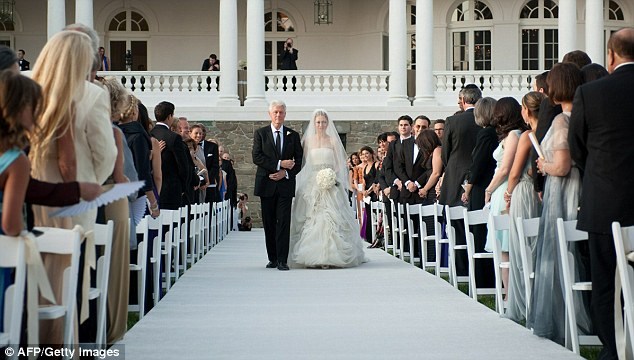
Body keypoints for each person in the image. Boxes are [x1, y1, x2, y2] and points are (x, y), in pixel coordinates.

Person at [569, 27, 634, 360]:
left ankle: (613, 351)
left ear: (610, 55)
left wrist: (597, 172)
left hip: (604, 201)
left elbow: (577, 147)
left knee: (605, 283)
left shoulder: (591, 93)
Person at [528, 62, 592, 346]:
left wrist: (543, 164)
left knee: (558, 252)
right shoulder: (585, 114)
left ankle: (565, 318)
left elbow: (563, 166)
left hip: (563, 188)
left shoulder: (562, 120)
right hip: (575, 186)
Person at [289, 109, 365, 269]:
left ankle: (332, 256)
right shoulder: (307, 141)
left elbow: (339, 163)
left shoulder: (333, 141)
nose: (321, 125)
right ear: (314, 124)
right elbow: (302, 162)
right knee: (312, 217)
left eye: (324, 122)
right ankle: (311, 254)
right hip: (312, 182)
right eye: (318, 122)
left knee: (332, 218)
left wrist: (332, 175)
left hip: (330, 182)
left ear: (327, 123)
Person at [504, 91, 545, 323]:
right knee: (537, 248)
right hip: (540, 194)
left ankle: (522, 304)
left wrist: (508, 195)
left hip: (523, 193)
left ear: (527, 111)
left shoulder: (527, 136)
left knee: (521, 250)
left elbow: (514, 172)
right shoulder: (549, 132)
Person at [252, 100, 303, 271]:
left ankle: (282, 260)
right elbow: (257, 157)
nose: (278, 115)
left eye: (281, 112)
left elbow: (299, 161)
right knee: (269, 222)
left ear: (285, 114)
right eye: (275, 112)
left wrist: (285, 173)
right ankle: (272, 258)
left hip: (285, 186)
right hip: (266, 183)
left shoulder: (293, 135)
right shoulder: (261, 133)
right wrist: (280, 164)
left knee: (283, 222)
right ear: (269, 114)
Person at [440, 86, 482, 278]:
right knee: (479, 223)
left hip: (456, 176)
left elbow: (446, 153)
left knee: (457, 226)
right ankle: (480, 269)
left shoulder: (453, 121)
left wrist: (452, 167)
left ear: (463, 100)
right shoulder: (486, 120)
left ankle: (462, 270)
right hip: (481, 176)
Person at [151, 101, 191, 210]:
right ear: (169, 116)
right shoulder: (174, 138)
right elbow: (183, 166)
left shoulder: (149, 134)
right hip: (171, 190)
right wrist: (183, 187)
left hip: (151, 189)